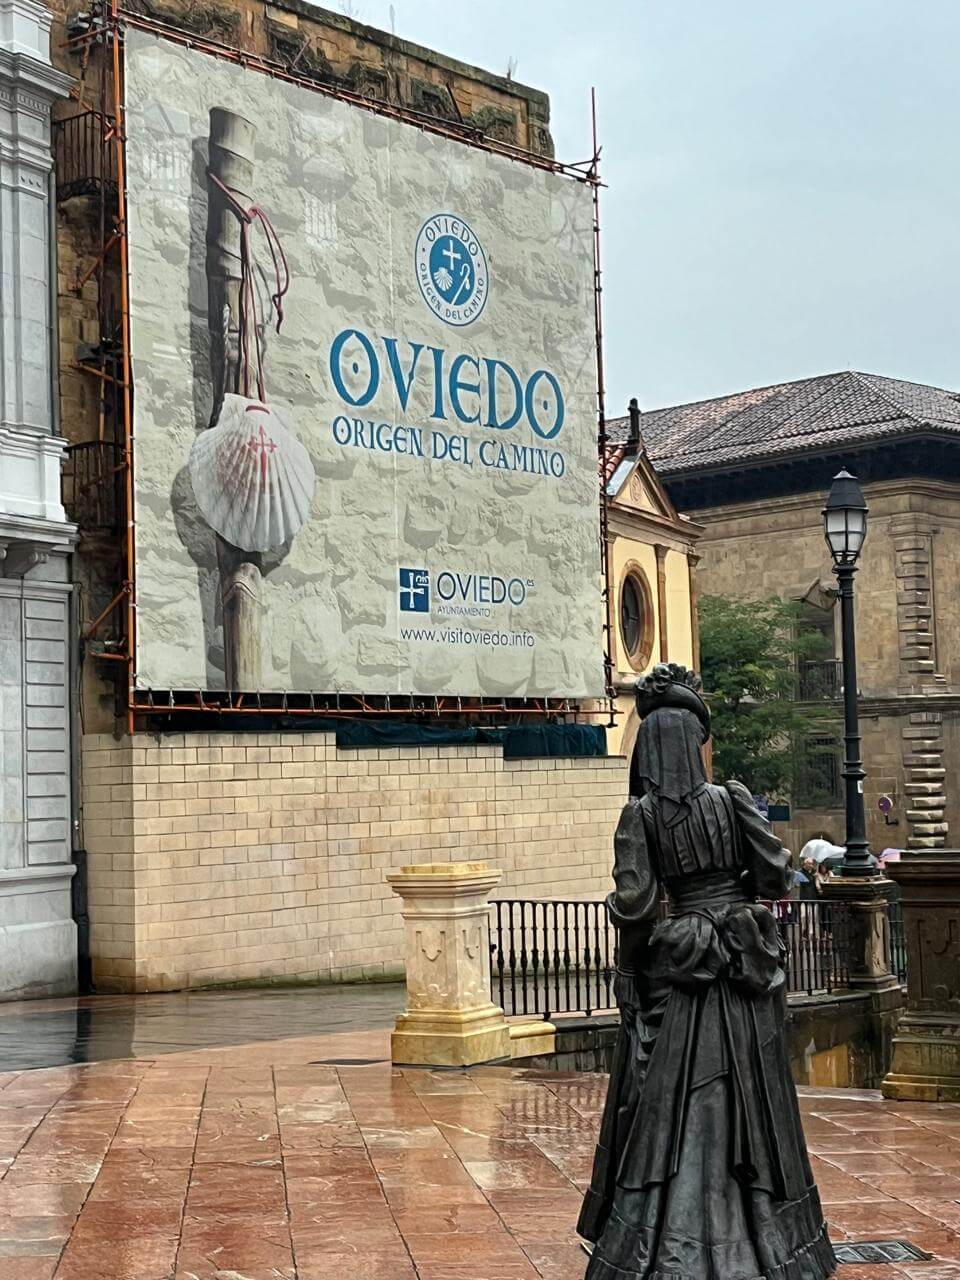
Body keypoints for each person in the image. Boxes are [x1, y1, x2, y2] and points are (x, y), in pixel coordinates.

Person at [579, 663, 835, 1280]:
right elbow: (775, 874)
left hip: (684, 971)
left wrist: (631, 979)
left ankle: (668, 1247)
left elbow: (635, 909)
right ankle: (773, 1243)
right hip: (740, 974)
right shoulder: (733, 799)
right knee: (755, 1097)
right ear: (694, 743)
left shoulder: (639, 817)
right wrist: (734, 897)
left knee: (671, 1104)